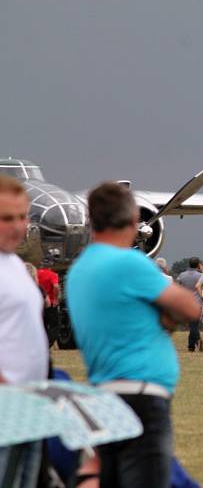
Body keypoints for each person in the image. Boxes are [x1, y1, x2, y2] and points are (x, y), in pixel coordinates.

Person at [65, 181, 201, 487]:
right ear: (132, 221)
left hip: (103, 394)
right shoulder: (131, 263)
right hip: (141, 395)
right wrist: (165, 317)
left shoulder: (79, 271)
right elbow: (190, 308)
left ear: (91, 221)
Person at [0, 175, 50, 488]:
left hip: (30, 408)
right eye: (6, 218)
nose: (18, 226)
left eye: (23, 217)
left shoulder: (15, 264)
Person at [176, 257, 203, 352]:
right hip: (197, 302)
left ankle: (192, 345)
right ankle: (195, 341)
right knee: (194, 325)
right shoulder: (200, 275)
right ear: (197, 265)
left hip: (186, 302)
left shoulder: (182, 275)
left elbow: (179, 286)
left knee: (192, 325)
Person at [37, 263, 60, 344]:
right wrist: (56, 299)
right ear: (50, 265)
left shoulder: (35, 273)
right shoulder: (52, 274)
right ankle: (47, 343)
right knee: (55, 325)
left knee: (42, 325)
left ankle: (41, 343)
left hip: (38, 304)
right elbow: (56, 286)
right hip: (50, 303)